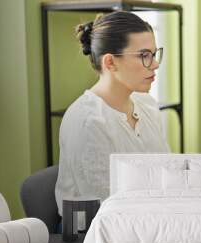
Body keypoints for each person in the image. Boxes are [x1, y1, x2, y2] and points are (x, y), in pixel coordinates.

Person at [54, 11, 170, 227]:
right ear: (110, 62)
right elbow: (108, 211)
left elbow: (167, 173)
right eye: (144, 55)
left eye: (154, 54)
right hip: (92, 234)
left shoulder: (146, 105)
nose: (155, 64)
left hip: (146, 219)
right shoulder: (88, 122)